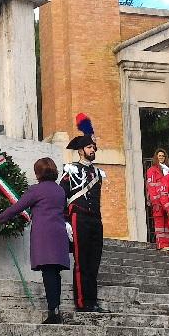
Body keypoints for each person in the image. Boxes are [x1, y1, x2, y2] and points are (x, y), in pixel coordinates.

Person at [0, 158, 70, 324]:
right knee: (55, 273)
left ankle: (53, 313)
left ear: (38, 173)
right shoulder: (60, 190)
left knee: (48, 272)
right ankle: (55, 309)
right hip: (59, 234)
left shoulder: (36, 190)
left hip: (45, 235)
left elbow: (17, 207)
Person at [61, 113, 107, 313]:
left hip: (95, 219)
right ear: (81, 150)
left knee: (94, 262)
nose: (93, 150)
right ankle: (82, 302)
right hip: (78, 217)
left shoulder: (97, 173)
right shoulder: (70, 169)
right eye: (89, 147)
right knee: (81, 262)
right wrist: (65, 221)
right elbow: (61, 196)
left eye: (93, 147)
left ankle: (93, 301)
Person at [146, 149, 169, 251]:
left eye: (163, 156)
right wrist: (155, 200)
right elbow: (151, 186)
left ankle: (168, 243)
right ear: (156, 157)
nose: (161, 157)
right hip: (158, 201)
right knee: (160, 224)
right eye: (159, 155)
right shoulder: (152, 170)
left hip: (168, 201)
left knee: (168, 223)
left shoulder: (168, 170)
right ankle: (162, 244)